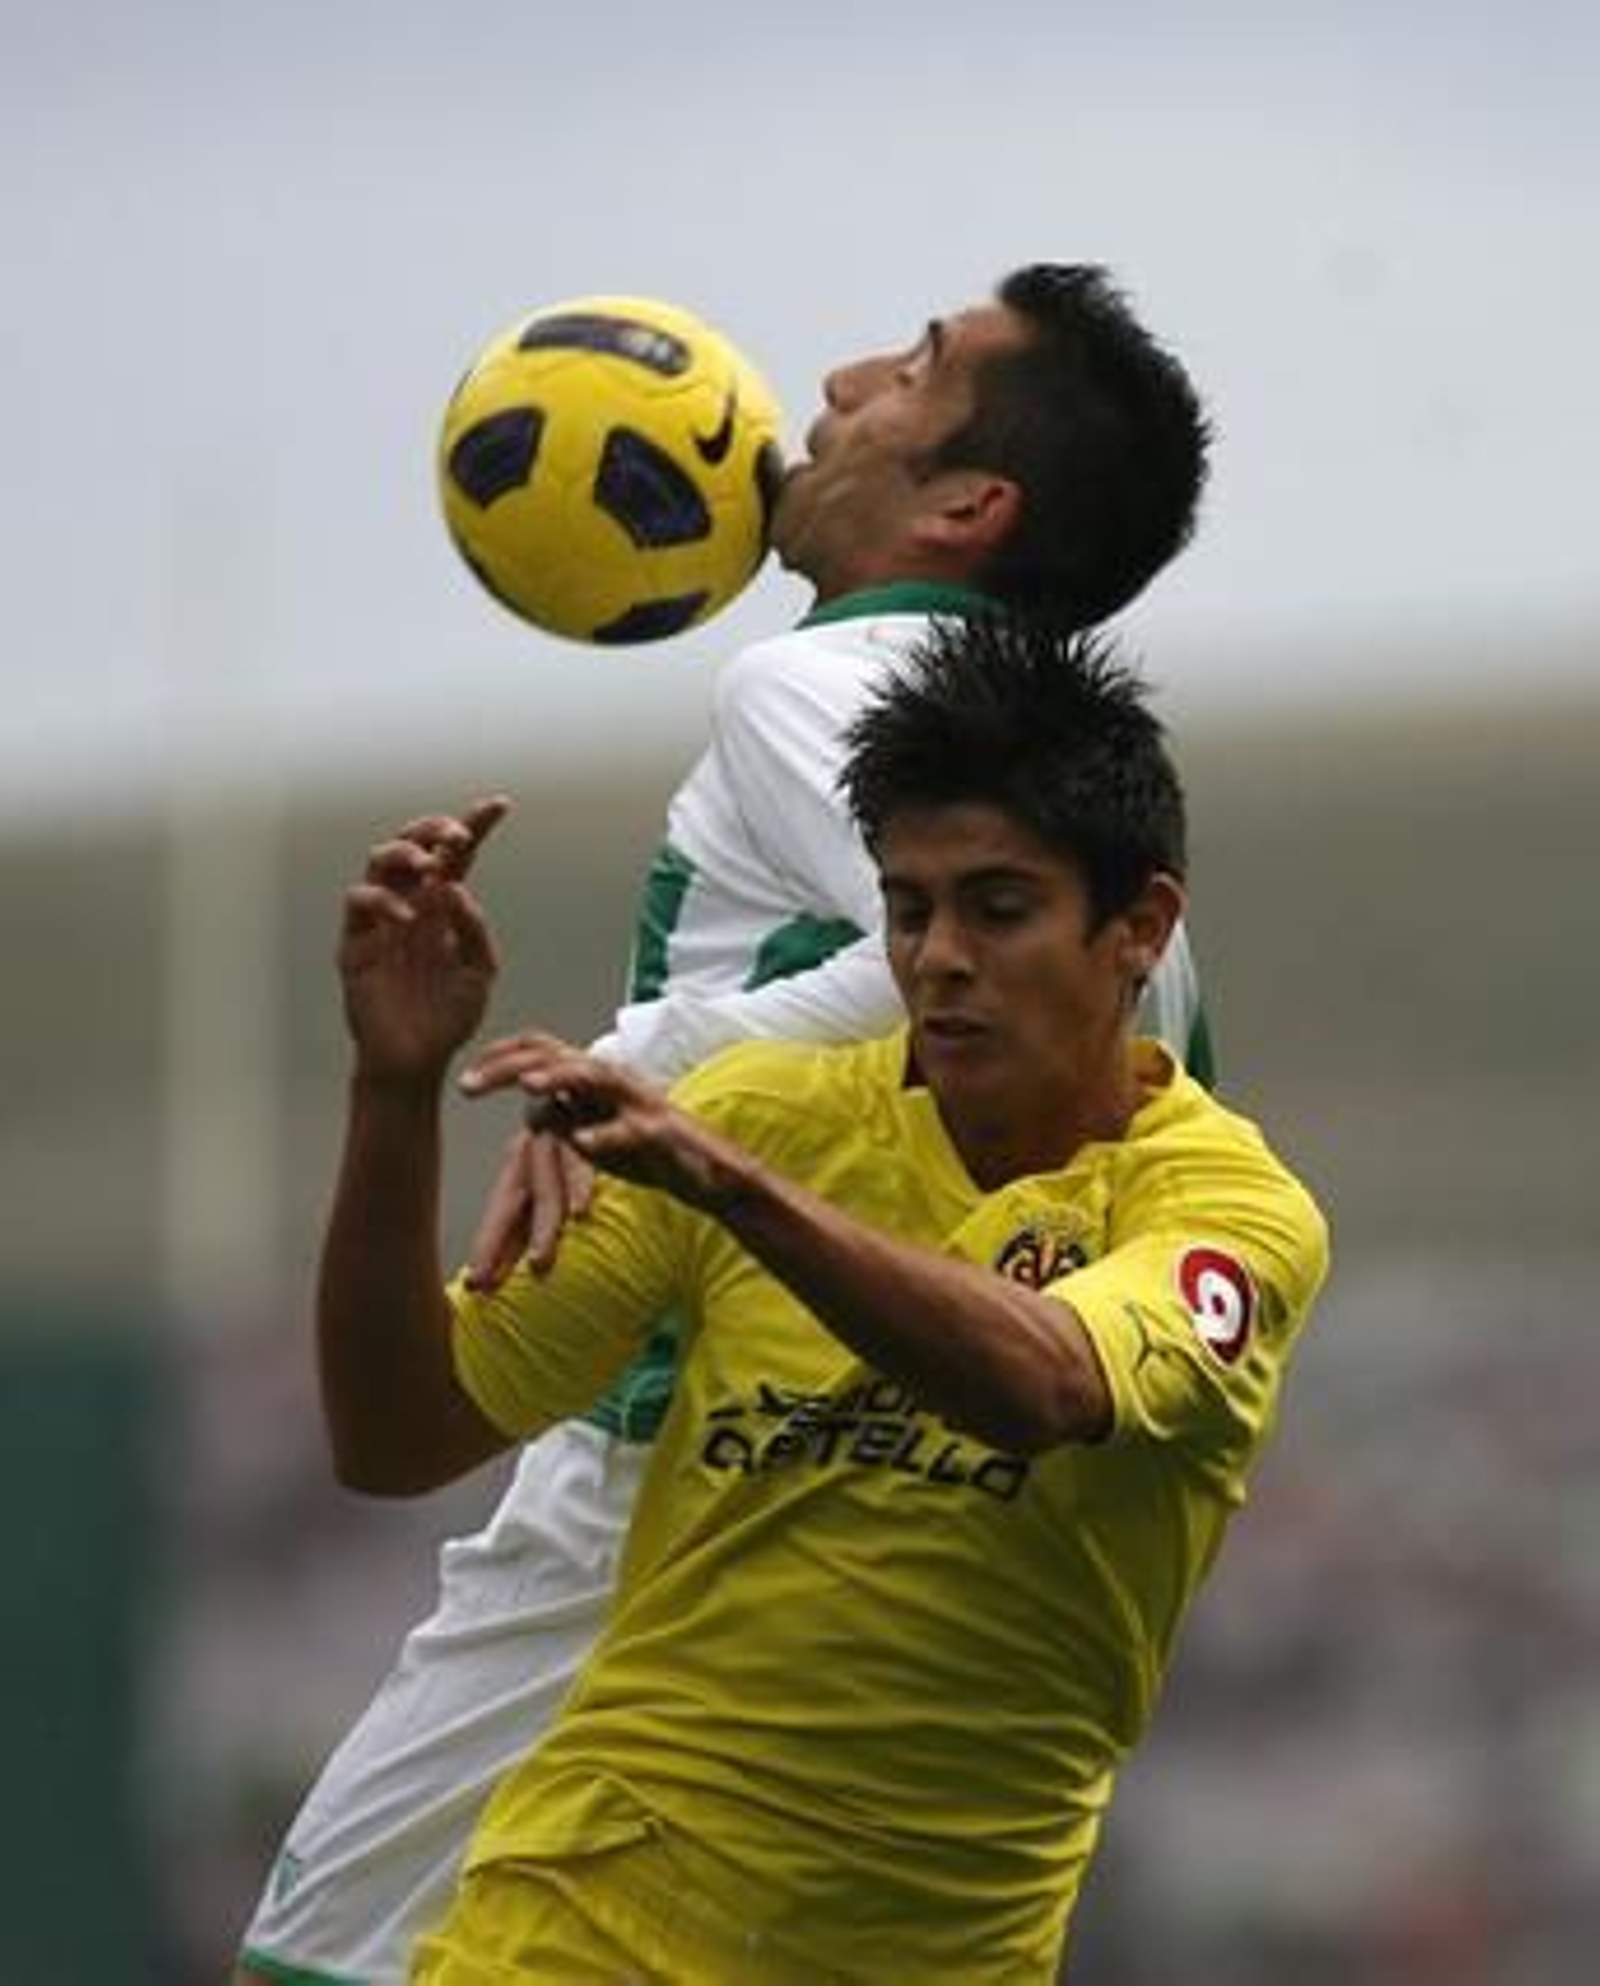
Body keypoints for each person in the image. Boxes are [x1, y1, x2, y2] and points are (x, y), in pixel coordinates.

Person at [237, 265, 1214, 1984]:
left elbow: (966, 985)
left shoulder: (823, 685)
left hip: (699, 1466)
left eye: (913, 369)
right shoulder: (1070, 797)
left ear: (968, 505)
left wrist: (643, 1076)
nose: (832, 383)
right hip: (901, 1488)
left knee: (324, 1960)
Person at [316, 614, 1329, 1983]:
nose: (940, 956)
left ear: (1140, 926)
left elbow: (1042, 1386)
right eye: (908, 910)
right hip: (572, 1929)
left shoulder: (1226, 1211)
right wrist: (392, 1091)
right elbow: (395, 1433)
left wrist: (736, 1190)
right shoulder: (753, 1117)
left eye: (999, 907)